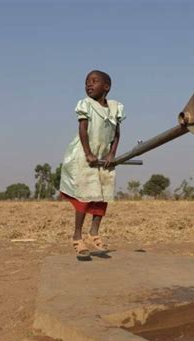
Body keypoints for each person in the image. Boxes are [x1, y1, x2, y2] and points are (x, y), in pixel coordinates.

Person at [59, 70, 125, 259]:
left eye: (94, 81)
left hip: (105, 157)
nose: (89, 84)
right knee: (84, 196)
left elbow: (117, 133)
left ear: (106, 87)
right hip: (84, 154)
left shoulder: (115, 108)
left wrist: (112, 153)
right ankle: (77, 236)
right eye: (87, 82)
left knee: (102, 195)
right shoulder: (85, 104)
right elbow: (83, 129)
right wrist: (88, 153)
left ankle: (93, 233)